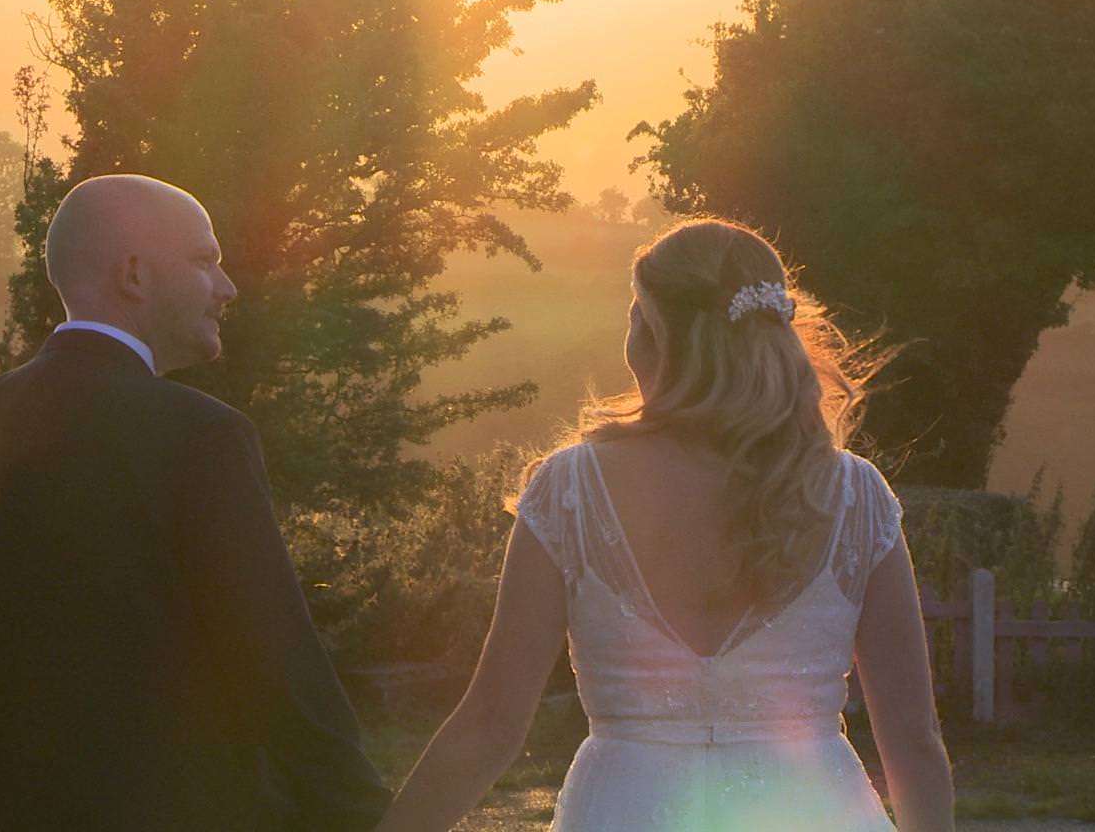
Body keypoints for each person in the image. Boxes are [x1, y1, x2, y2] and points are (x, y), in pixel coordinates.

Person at [377, 217, 955, 831]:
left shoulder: (571, 491)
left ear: (653, 336)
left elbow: (491, 723)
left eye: (634, 315)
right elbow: (913, 743)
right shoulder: (854, 496)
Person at [0, 174, 390, 831]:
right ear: (134, 274)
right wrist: (356, 813)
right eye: (204, 261)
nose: (228, 287)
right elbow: (278, 664)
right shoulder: (202, 436)